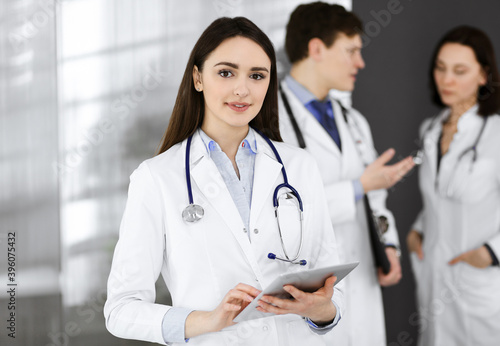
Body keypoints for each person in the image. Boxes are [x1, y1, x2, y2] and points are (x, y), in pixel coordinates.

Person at [104, 17, 346, 345]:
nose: (242, 89)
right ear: (197, 78)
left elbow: (334, 288)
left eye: (257, 76)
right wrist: (207, 321)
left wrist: (322, 310)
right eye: (226, 72)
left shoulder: (299, 167)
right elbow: (120, 309)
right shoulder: (157, 178)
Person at [278, 3, 415, 345]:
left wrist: (389, 246)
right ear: (316, 49)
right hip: (307, 280)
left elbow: (376, 197)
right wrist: (358, 186)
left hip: (362, 268)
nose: (360, 63)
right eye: (351, 51)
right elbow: (277, 208)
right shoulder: (270, 120)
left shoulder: (353, 121)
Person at [407, 25, 500, 346]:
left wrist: (492, 253)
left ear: (484, 75)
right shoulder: (430, 129)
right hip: (435, 275)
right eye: (441, 68)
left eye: (460, 71)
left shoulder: (496, 133)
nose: (446, 80)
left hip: (480, 284)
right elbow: (439, 197)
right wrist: (418, 229)